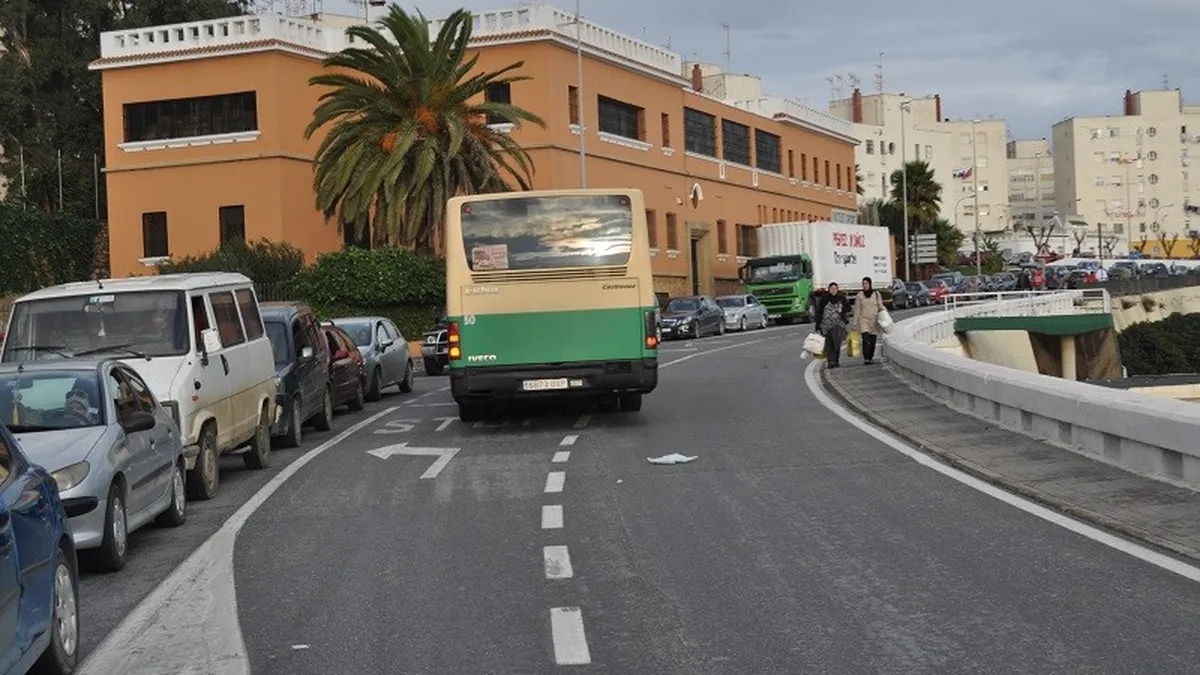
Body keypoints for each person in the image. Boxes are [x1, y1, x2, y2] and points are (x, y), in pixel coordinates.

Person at [813, 282, 851, 368]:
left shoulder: (841, 298)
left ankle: (836, 360)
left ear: (837, 290)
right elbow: (820, 312)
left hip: (839, 325)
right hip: (826, 325)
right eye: (832, 289)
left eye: (835, 289)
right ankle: (831, 361)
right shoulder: (824, 299)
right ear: (829, 290)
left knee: (836, 342)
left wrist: (842, 309)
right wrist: (817, 326)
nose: (833, 290)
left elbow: (848, 308)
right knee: (829, 343)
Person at [850, 276, 885, 365]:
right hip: (864, 319)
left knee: (872, 340)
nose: (865, 285)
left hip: (874, 320)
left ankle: (870, 356)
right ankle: (866, 358)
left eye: (866, 283)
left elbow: (880, 305)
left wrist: (885, 314)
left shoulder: (876, 294)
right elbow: (857, 310)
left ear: (870, 284)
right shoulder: (859, 295)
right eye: (863, 284)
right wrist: (854, 323)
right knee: (865, 338)